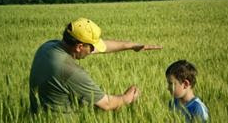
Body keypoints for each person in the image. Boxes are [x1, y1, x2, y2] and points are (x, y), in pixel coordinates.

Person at [29, 17, 162, 113]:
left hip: (37, 118)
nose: (94, 51)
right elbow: (106, 104)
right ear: (79, 47)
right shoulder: (69, 71)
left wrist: (132, 46)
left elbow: (102, 47)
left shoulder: (47, 47)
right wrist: (127, 98)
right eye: (92, 48)